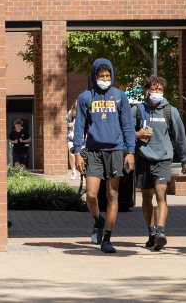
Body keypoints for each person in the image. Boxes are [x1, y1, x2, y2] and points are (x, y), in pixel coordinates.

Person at [73, 58, 135, 254]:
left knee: (113, 195)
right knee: (91, 194)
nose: (105, 79)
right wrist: (77, 152)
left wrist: (130, 151)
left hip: (116, 150)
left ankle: (107, 238)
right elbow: (79, 126)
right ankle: (97, 220)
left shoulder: (120, 96)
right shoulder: (85, 97)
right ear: (94, 77)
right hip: (93, 151)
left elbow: (128, 126)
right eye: (101, 76)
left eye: (108, 76)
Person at [133, 74, 186, 251]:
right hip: (143, 159)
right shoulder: (137, 110)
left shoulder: (169, 111)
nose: (157, 92)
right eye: (154, 89)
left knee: (160, 194)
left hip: (163, 159)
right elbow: (125, 132)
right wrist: (138, 135)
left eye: (160, 90)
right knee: (147, 198)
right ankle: (151, 233)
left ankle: (160, 232)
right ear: (147, 90)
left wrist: (185, 160)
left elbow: (180, 136)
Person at [65, 107, 79, 179]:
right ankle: (73, 170)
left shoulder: (84, 111)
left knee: (81, 154)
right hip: (71, 136)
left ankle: (80, 171)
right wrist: (69, 124)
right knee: (71, 153)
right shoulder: (71, 112)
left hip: (81, 137)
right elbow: (66, 120)